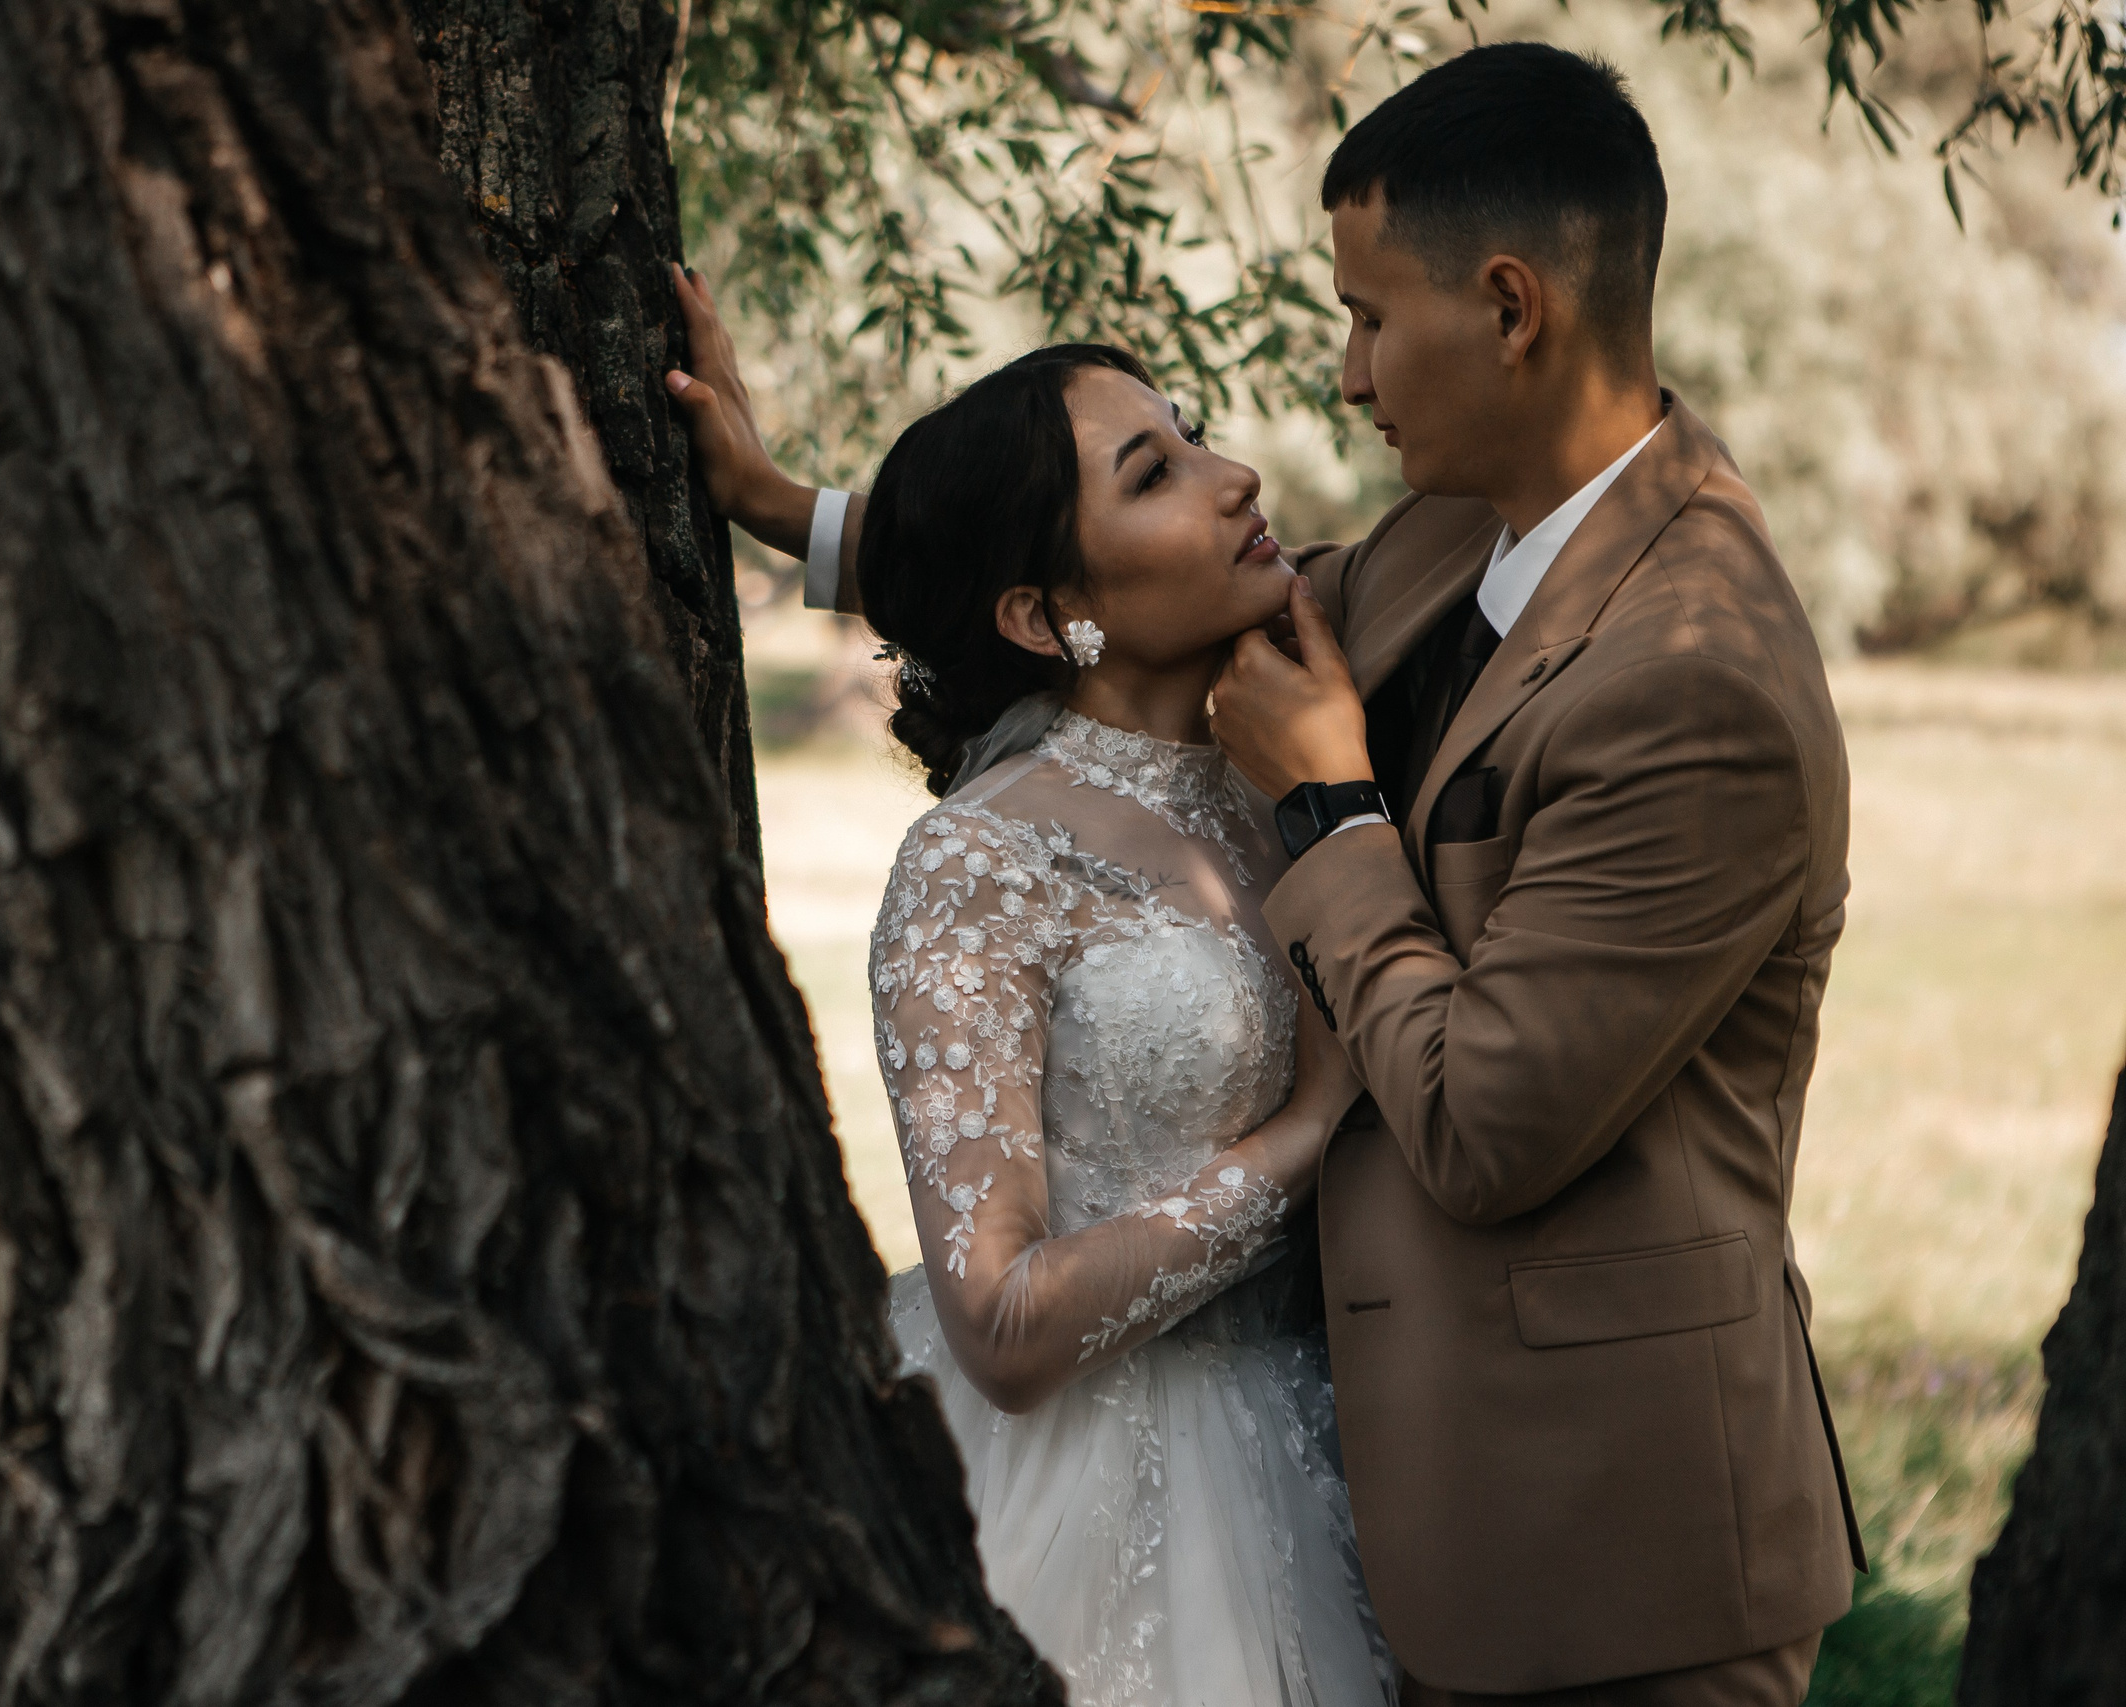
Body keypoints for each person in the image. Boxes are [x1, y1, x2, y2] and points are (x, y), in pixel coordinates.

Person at [671, 40, 1859, 1707]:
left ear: (1510, 307)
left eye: (1372, 315)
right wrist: (792, 513)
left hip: (1610, 1559)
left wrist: (1332, 813)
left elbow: (1483, 1120)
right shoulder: (1460, 540)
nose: (1350, 375)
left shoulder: (1694, 672)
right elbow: (1106, 588)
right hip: (1358, 1504)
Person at [766, 335, 1406, 1705]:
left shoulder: (1288, 777)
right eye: (1155, 472)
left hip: (1342, 1442)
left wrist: (779, 503)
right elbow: (997, 1323)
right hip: (1098, 1501)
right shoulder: (980, 863)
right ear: (1044, 616)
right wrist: (1308, 1131)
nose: (1235, 480)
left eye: (1195, 436)